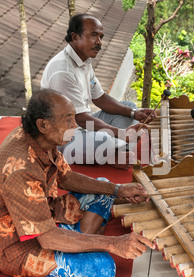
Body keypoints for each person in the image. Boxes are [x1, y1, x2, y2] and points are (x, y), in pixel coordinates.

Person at [0, 89, 154, 277]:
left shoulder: (41, 139)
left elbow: (67, 177)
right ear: (43, 125)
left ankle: (75, 245)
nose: (75, 125)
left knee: (105, 189)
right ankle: (76, 247)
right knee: (103, 269)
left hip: (45, 217)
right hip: (14, 244)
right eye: (68, 119)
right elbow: (47, 237)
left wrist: (118, 189)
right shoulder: (19, 169)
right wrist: (113, 244)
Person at [40, 14, 156, 169]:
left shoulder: (84, 60)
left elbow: (100, 98)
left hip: (81, 127)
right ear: (75, 38)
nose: (99, 42)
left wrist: (134, 113)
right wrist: (121, 134)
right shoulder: (63, 70)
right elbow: (78, 119)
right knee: (103, 140)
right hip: (62, 137)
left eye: (101, 36)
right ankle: (113, 154)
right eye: (94, 35)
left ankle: (114, 151)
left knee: (128, 106)